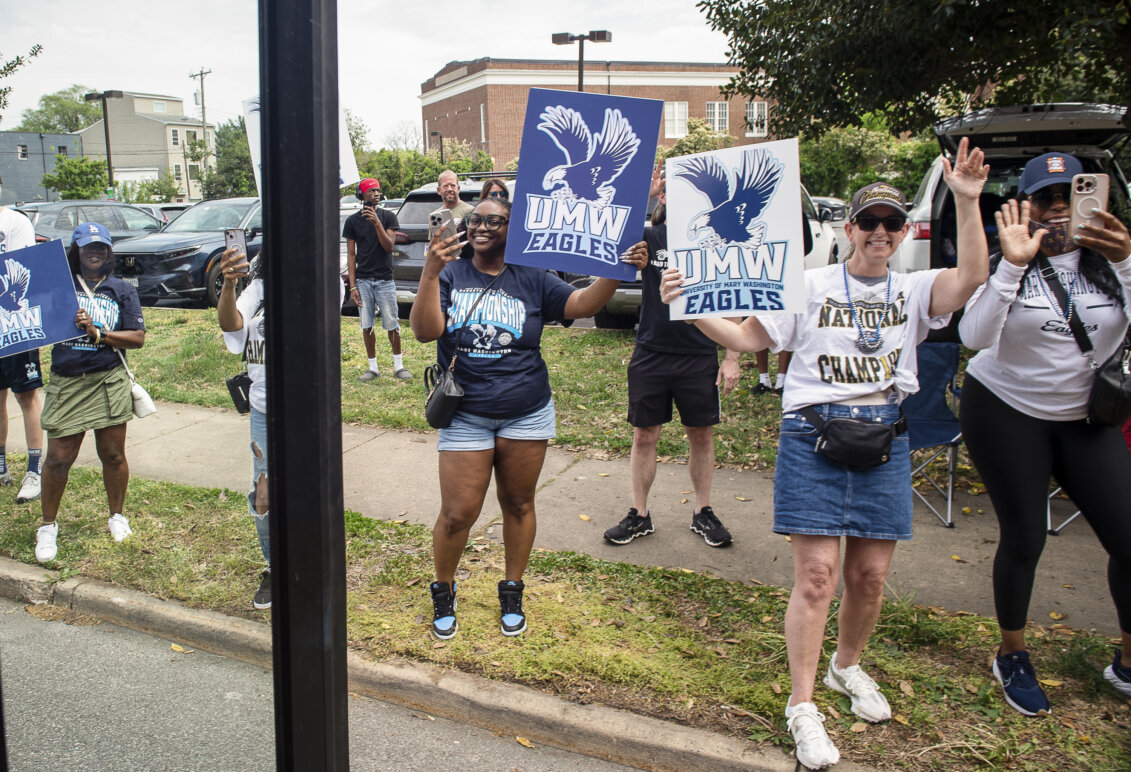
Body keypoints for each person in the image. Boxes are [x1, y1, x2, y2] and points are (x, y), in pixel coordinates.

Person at [660, 139, 989, 770]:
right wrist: (689, 307)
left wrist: (968, 201)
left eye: (892, 223)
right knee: (817, 577)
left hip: (886, 441)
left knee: (870, 578)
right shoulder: (807, 284)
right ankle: (802, 705)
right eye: (870, 221)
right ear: (850, 228)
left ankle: (847, 668)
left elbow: (971, 278)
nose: (881, 232)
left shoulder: (916, 290)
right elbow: (747, 335)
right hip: (813, 438)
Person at [411, 196, 645, 640]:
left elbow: (581, 305)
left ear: (513, 228)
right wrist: (429, 271)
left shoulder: (532, 275)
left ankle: (512, 589)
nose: (481, 227)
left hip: (526, 412)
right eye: (474, 219)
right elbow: (425, 332)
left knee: (518, 504)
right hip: (465, 413)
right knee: (458, 513)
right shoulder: (451, 271)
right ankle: (444, 589)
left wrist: (617, 270)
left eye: (493, 221)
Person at [958, 152, 1131, 715]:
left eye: (1070, 196)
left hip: (1085, 418)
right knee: (1026, 536)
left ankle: (1127, 662)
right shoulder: (1014, 259)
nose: (1059, 210)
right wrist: (1010, 266)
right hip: (1007, 410)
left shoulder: (1114, 263)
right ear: (1027, 208)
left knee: (1128, 539)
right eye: (1046, 199)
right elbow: (975, 337)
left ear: (1096, 200)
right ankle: (1012, 654)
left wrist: (1126, 262)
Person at [603, 164, 741, 549]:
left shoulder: (715, 241)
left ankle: (703, 511)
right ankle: (639, 514)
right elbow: (613, 231)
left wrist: (732, 356)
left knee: (701, 434)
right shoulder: (649, 239)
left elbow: (732, 298)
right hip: (651, 352)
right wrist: (643, 193)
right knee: (644, 435)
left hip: (698, 353)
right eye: (673, 193)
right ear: (663, 197)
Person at [35, 223, 146, 563]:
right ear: (76, 252)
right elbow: (36, 319)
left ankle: (117, 515)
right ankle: (48, 526)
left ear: (110, 252)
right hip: (67, 379)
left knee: (112, 454)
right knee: (57, 459)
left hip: (107, 379)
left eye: (101, 247)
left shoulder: (121, 290)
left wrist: (99, 333)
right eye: (87, 248)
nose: (94, 253)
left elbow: (137, 338)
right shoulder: (60, 287)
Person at [217, 245, 273, 610]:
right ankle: (274, 566)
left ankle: (307, 562)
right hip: (263, 411)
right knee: (265, 496)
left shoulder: (321, 280)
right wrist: (228, 283)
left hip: (306, 412)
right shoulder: (258, 288)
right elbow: (232, 324)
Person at [0, 178, 45, 503]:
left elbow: (21, 269)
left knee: (27, 396)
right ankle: (1, 465)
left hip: (14, 322)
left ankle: (35, 469)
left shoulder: (15, 222)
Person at [344, 177, 411, 382]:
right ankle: (372, 367)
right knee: (367, 324)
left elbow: (389, 246)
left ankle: (398, 365)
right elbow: (351, 255)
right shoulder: (352, 221)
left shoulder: (388, 217)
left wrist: (376, 223)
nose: (376, 194)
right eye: (371, 190)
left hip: (384, 279)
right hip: (363, 280)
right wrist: (352, 286)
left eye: (378, 190)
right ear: (361, 194)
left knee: (392, 322)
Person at [427, 170, 474, 238]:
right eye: (445, 186)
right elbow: (433, 243)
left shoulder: (471, 211)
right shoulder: (435, 216)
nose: (449, 189)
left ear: (458, 189)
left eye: (453, 185)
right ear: (439, 190)